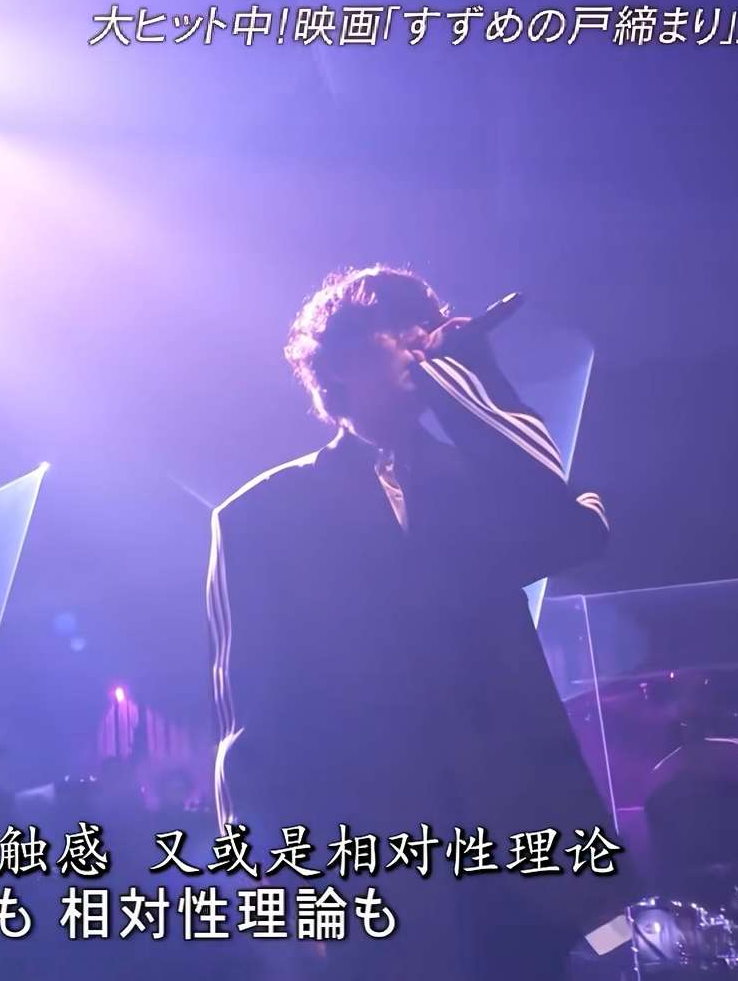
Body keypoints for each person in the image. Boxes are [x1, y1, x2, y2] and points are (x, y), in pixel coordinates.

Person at [205, 267, 625, 977]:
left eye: (425, 328)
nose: (420, 343)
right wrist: (271, 877)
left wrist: (478, 382)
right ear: (339, 362)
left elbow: (566, 533)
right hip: (373, 859)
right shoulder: (259, 515)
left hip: (527, 854)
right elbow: (252, 710)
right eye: (395, 330)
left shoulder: (478, 479)